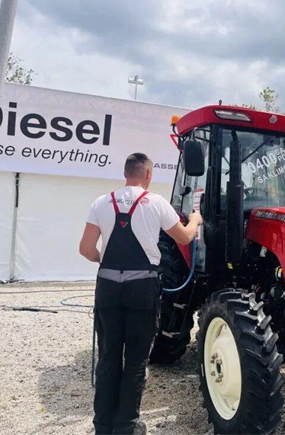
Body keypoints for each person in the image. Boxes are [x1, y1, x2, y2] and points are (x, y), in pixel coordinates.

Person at [79, 153, 202, 435]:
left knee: (108, 357)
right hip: (142, 290)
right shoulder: (156, 203)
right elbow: (184, 237)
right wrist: (195, 220)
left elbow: (85, 249)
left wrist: (103, 260)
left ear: (126, 173)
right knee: (135, 361)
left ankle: (102, 426)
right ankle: (126, 426)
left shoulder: (101, 202)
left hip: (108, 288)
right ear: (148, 174)